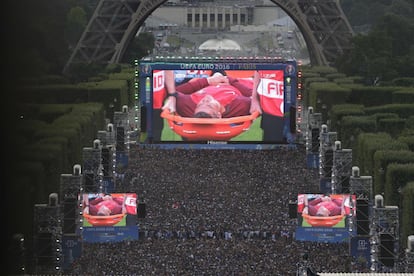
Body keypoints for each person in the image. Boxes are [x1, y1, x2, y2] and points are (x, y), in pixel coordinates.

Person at [162, 70, 262, 118]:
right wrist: (230, 80)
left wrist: (207, 81)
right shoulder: (239, 104)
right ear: (219, 115)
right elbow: (255, 95)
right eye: (209, 105)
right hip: (233, 82)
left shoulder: (188, 105)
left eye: (200, 104)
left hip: (206, 79)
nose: (206, 99)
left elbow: (173, 91)